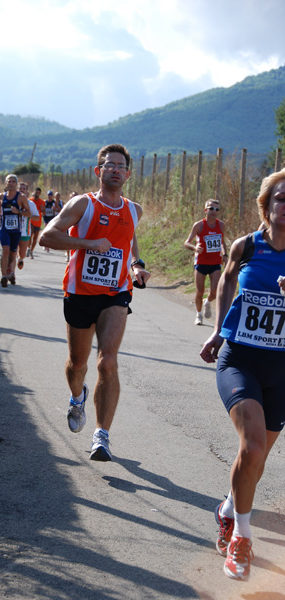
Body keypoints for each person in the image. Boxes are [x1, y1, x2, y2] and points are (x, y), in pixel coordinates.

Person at [39, 144, 150, 461]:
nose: (115, 169)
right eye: (108, 164)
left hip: (115, 293)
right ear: (97, 170)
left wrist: (136, 265)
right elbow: (47, 236)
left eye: (120, 165)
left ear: (128, 173)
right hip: (80, 294)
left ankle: (102, 436)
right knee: (78, 364)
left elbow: (129, 241)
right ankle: (77, 397)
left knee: (108, 361)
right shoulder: (82, 205)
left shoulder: (134, 210)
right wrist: (88, 244)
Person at [200, 168, 285, 581]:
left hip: (283, 368)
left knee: (257, 459)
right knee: (251, 446)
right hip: (241, 360)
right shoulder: (246, 245)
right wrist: (218, 331)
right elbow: (226, 281)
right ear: (266, 206)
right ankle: (241, 539)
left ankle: (228, 508)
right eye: (282, 198)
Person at [184, 199, 227, 325]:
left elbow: (222, 242)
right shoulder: (199, 225)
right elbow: (187, 242)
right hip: (201, 262)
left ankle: (207, 302)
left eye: (217, 209)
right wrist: (195, 248)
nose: (214, 211)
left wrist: (224, 254)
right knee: (199, 291)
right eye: (211, 208)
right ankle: (198, 314)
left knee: (215, 291)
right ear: (205, 210)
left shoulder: (221, 225)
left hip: (215, 263)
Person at [0, 174, 31, 287]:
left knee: (12, 253)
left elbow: (29, 213)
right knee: (5, 250)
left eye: (12, 182)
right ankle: (4, 276)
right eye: (8, 181)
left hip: (16, 230)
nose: (10, 183)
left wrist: (18, 212)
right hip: (4, 228)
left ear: (16, 184)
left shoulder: (21, 197)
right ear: (6, 184)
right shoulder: (2, 196)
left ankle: (9, 269)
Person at [16, 181, 39, 269]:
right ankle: (11, 273)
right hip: (13, 231)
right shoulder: (14, 201)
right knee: (12, 252)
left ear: (27, 191)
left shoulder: (31, 204)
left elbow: (37, 218)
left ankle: (20, 259)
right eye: (20, 188)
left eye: (24, 189)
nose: (22, 190)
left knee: (22, 255)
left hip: (25, 232)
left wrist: (27, 215)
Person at [27, 187, 45, 259]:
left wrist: (42, 209)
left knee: (35, 239)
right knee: (29, 236)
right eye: (36, 192)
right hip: (30, 221)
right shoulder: (29, 200)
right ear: (33, 192)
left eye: (38, 193)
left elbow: (44, 213)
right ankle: (28, 248)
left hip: (38, 222)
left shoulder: (42, 202)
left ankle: (31, 250)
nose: (37, 194)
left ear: (40, 193)